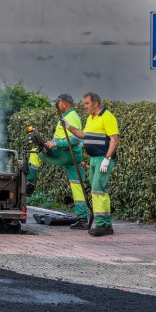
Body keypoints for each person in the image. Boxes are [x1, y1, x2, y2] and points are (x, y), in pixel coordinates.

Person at [27, 93, 89, 229]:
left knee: (35, 152)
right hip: (73, 157)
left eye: (58, 103)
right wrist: (51, 142)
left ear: (64, 104)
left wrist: (55, 145)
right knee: (77, 186)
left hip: (65, 154)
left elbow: (76, 139)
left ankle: (30, 183)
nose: (57, 105)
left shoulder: (70, 117)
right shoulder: (69, 116)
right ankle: (83, 219)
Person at [64, 92, 119, 237]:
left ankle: (101, 224)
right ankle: (107, 224)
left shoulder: (108, 117)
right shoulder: (90, 118)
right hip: (94, 159)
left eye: (87, 104)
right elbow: (83, 135)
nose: (85, 107)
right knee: (101, 190)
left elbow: (114, 139)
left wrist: (107, 159)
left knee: (97, 189)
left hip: (102, 158)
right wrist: (68, 126)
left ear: (95, 103)